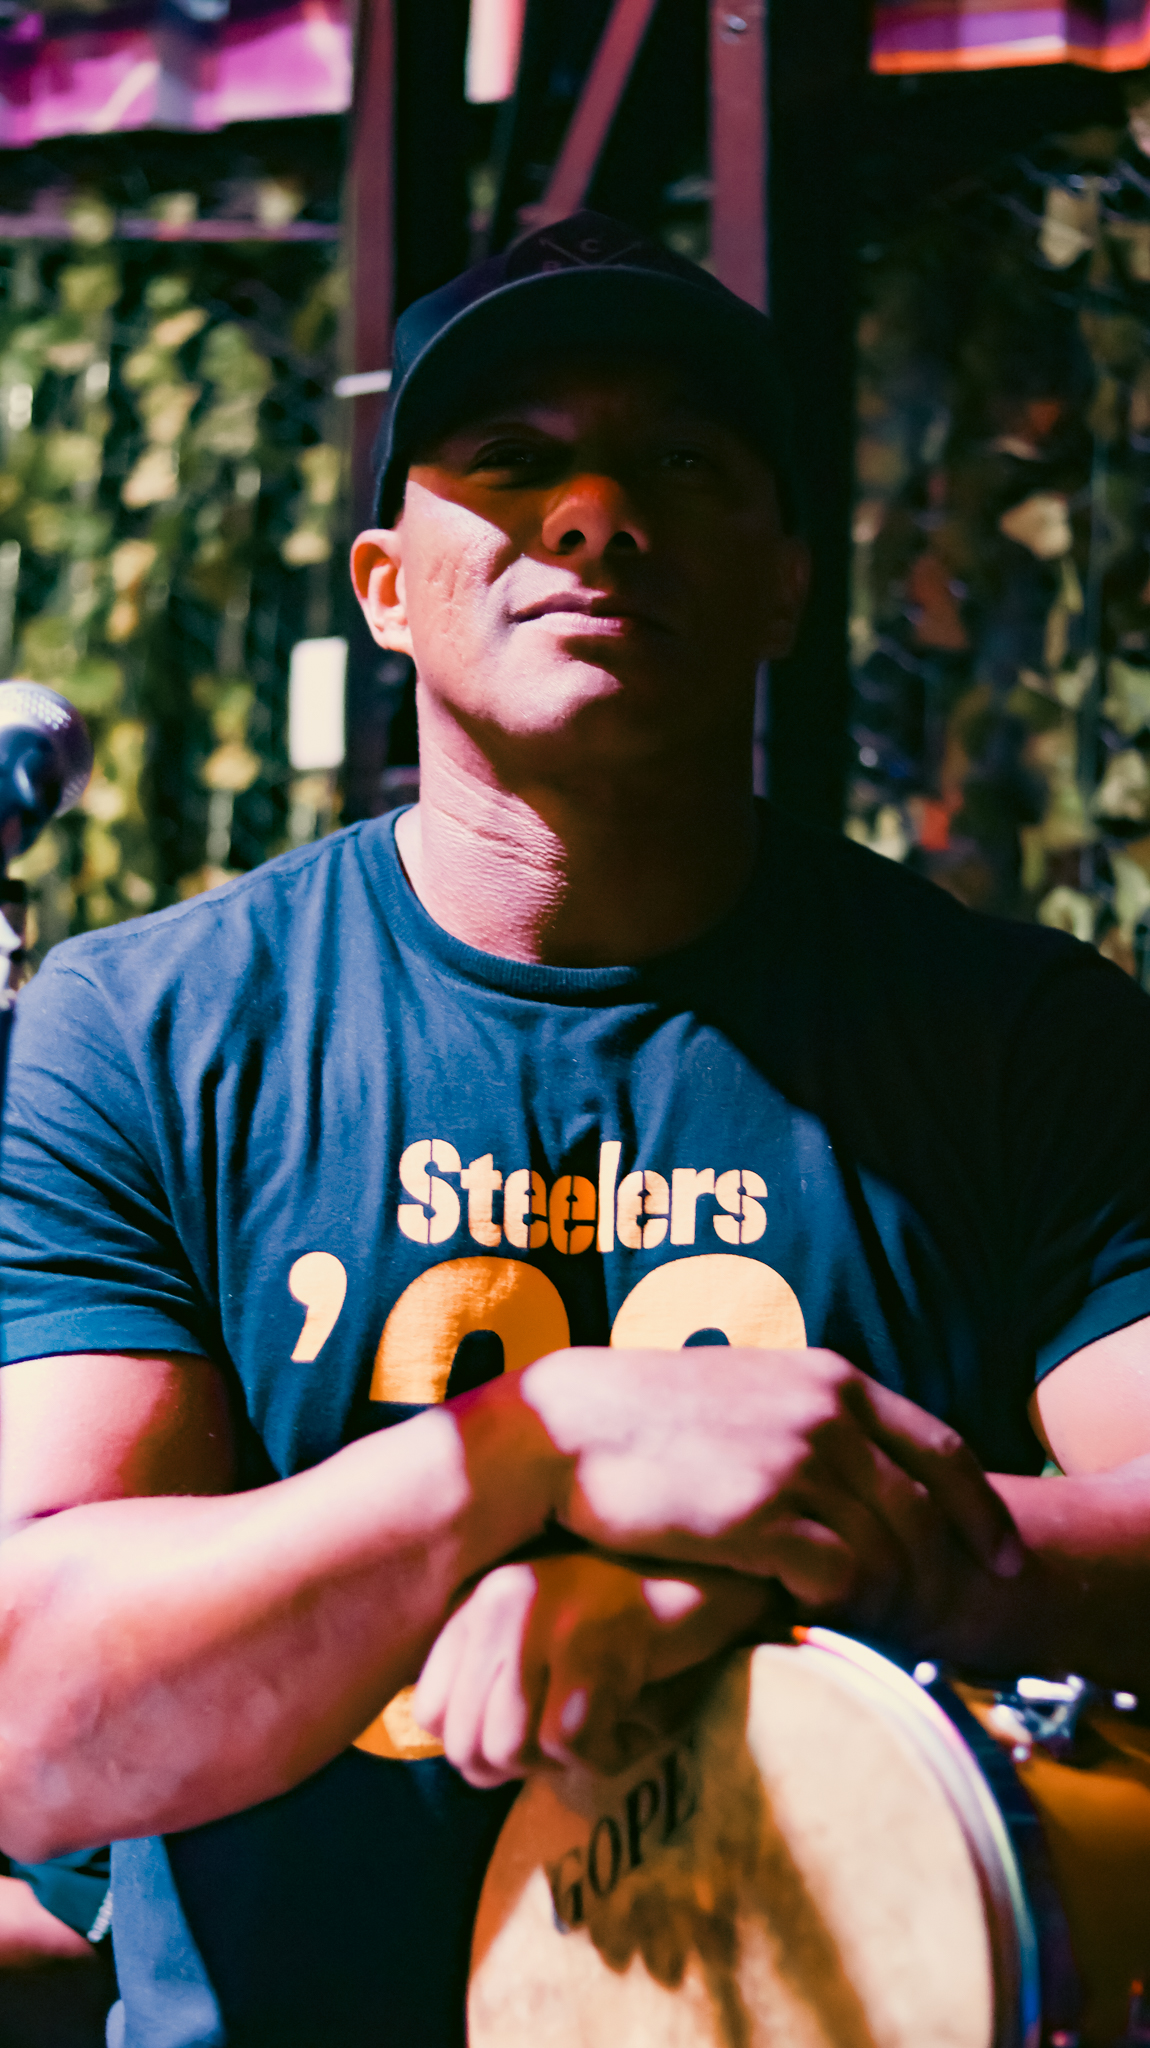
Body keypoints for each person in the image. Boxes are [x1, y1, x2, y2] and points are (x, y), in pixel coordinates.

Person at [1, 208, 1149, 2048]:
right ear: (385, 586)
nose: (595, 515)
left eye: (680, 464)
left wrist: (732, 1573)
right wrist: (545, 1445)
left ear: (784, 585)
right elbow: (39, 1721)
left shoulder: (1021, 1038)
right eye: (512, 462)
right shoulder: (145, 1031)